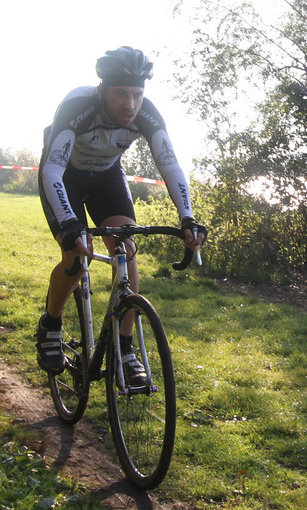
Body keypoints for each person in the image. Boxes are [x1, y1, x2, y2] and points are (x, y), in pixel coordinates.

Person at [35, 46, 206, 386]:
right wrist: (69, 224)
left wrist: (187, 218)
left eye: (137, 95)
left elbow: (170, 166)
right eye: (121, 94)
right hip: (64, 177)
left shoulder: (147, 114)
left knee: (126, 250)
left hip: (106, 178)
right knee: (76, 255)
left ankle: (125, 350)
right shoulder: (78, 106)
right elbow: (52, 169)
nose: (130, 104)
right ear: (102, 91)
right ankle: (50, 324)